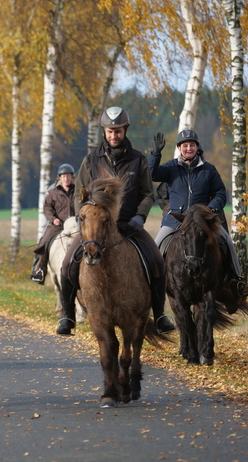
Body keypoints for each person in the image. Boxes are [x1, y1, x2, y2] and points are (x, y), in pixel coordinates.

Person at [56, 106, 176, 336]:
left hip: (128, 226)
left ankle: (160, 314)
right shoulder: (90, 160)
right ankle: (67, 315)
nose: (114, 135)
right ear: (104, 131)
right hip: (95, 228)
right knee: (67, 264)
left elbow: (148, 193)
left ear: (125, 130)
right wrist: (86, 219)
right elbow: (78, 195)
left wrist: (140, 217)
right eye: (110, 131)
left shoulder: (138, 159)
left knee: (157, 261)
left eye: (118, 131)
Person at [148, 129, 248, 299]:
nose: (188, 148)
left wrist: (211, 209)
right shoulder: (171, 167)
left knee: (227, 241)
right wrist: (155, 153)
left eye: (192, 145)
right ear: (179, 148)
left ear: (197, 147)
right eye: (185, 145)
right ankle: (150, 286)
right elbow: (152, 174)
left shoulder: (209, 169)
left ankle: (237, 282)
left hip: (202, 220)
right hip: (175, 220)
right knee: (156, 246)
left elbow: (220, 192)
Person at [29, 163, 76, 284]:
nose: (66, 178)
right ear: (59, 178)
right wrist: (53, 219)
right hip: (58, 225)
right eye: (63, 176)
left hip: (75, 225)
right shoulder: (52, 193)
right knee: (43, 243)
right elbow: (47, 208)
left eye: (68, 176)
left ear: (72, 177)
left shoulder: (78, 192)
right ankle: (39, 270)